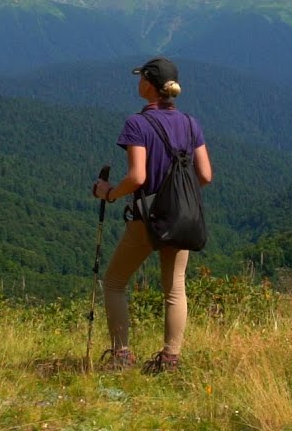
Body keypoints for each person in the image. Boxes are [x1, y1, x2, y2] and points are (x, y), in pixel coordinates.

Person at [91, 56, 213, 373]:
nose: (137, 82)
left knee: (115, 282)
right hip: (181, 216)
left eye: (140, 77)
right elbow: (205, 175)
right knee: (174, 288)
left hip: (146, 218)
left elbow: (137, 177)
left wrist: (109, 192)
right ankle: (170, 360)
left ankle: (122, 356)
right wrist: (179, 194)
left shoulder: (138, 124)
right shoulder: (190, 123)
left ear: (148, 84)